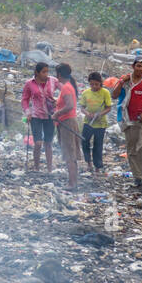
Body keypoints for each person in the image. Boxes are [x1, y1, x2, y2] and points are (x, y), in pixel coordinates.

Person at [118, 57, 142, 187]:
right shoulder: (126, 80)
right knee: (131, 149)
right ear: (133, 66)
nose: (140, 69)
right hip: (129, 119)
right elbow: (114, 95)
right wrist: (120, 83)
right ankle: (137, 176)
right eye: (138, 66)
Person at [21, 62, 58, 172]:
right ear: (37, 72)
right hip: (36, 115)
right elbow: (24, 99)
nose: (46, 74)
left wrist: (58, 101)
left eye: (47, 71)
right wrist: (27, 112)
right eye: (43, 72)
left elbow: (64, 90)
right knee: (37, 143)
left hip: (50, 115)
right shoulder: (29, 83)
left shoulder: (53, 81)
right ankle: (36, 167)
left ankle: (49, 169)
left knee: (48, 143)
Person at [52, 63, 81, 191]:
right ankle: (72, 181)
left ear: (59, 74)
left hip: (67, 123)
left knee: (69, 154)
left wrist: (57, 113)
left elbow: (69, 106)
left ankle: (72, 183)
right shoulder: (69, 86)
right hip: (68, 121)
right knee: (71, 153)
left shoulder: (66, 88)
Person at [79, 71, 113, 172]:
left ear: (100, 83)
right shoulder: (86, 93)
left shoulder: (105, 92)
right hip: (88, 122)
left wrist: (99, 114)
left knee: (98, 145)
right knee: (84, 142)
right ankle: (88, 162)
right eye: (92, 84)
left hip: (100, 123)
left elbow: (108, 108)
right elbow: (82, 107)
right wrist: (87, 113)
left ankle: (98, 166)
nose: (94, 86)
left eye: (96, 84)